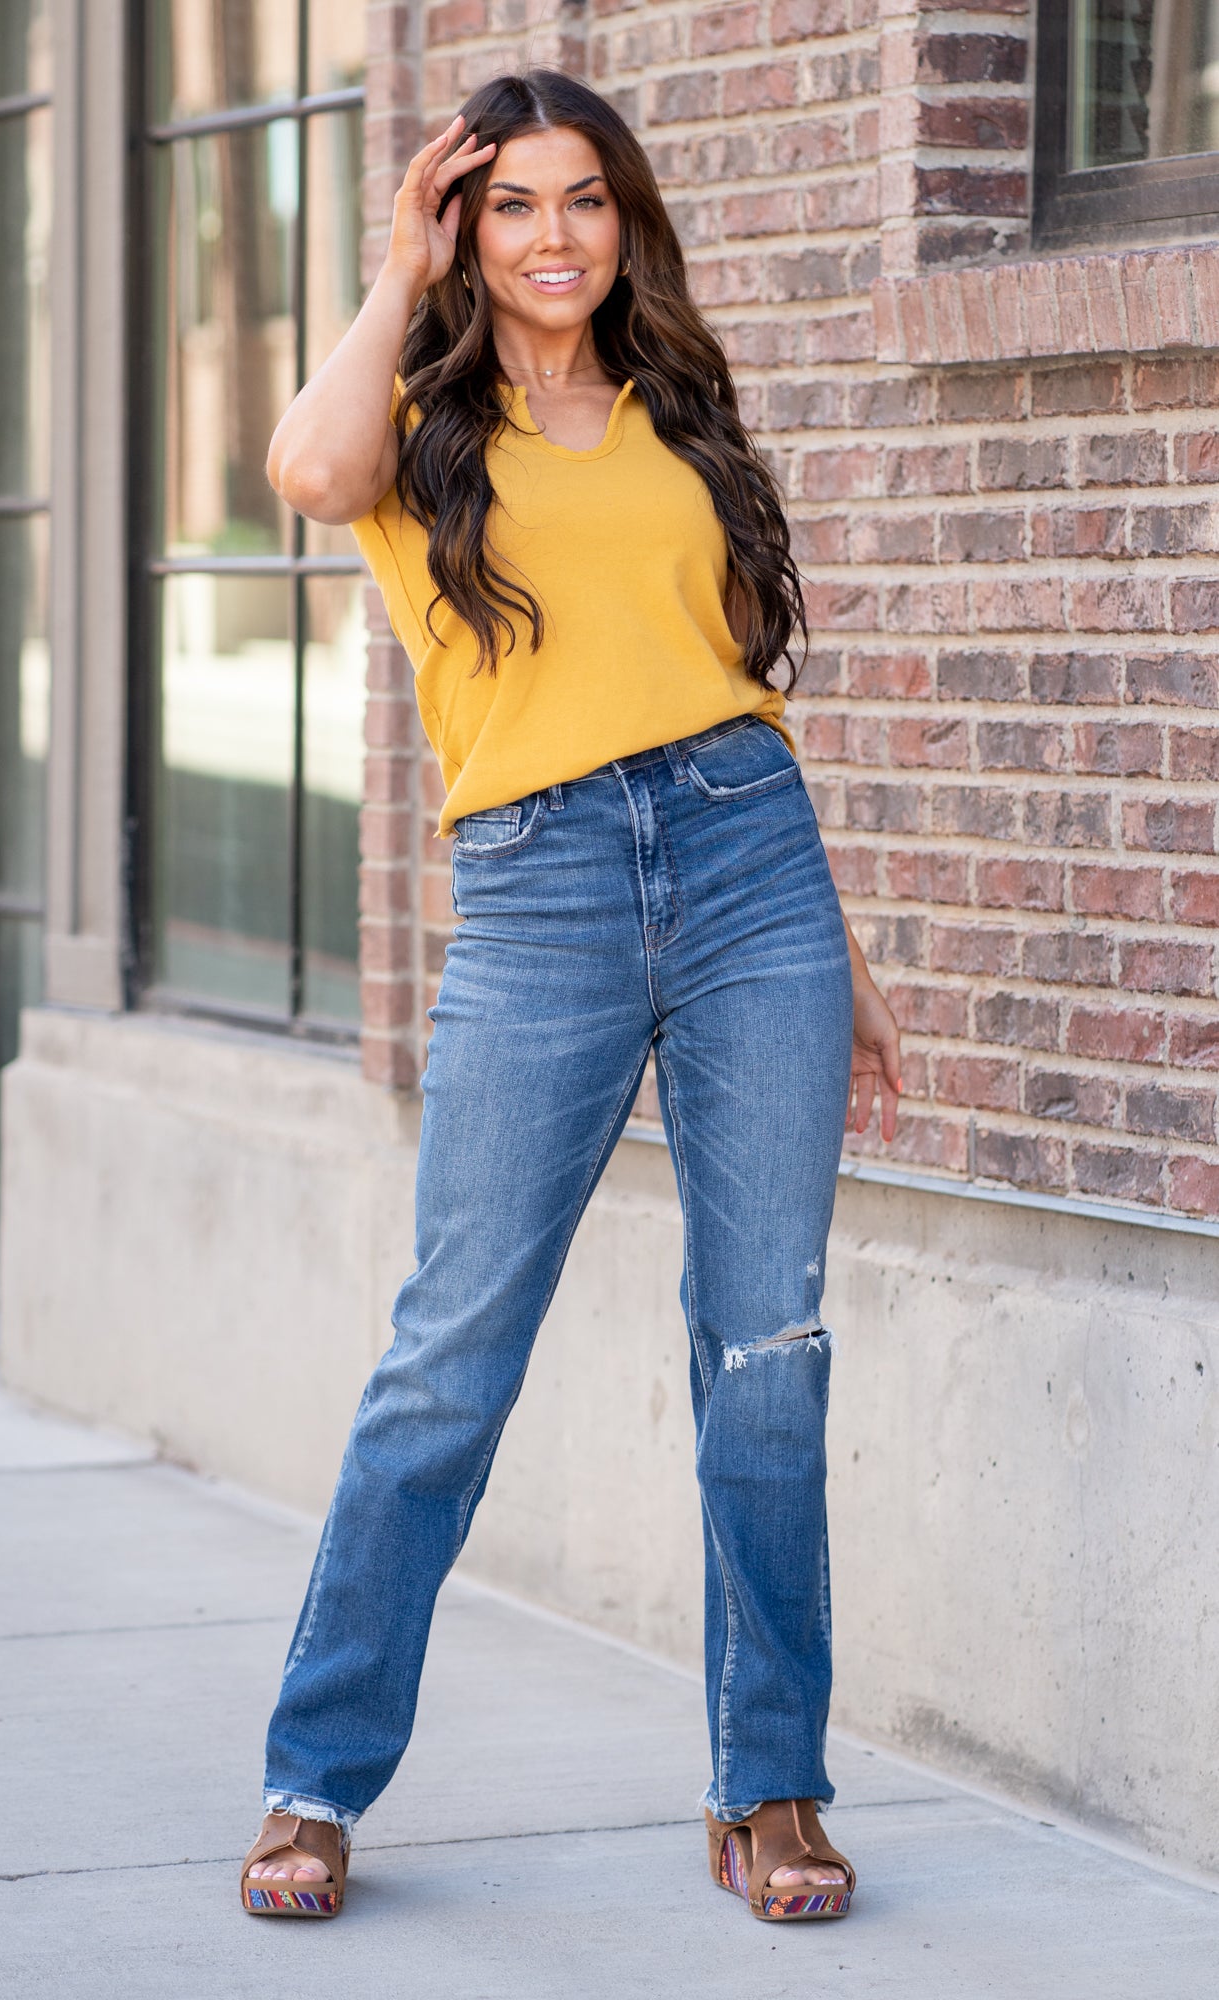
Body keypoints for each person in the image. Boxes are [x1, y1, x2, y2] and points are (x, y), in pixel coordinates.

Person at [241, 67, 902, 1928]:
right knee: (449, 1357)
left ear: (628, 223)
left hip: (754, 870)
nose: (555, 237)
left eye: (585, 200)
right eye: (513, 204)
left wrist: (840, 956)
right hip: (538, 895)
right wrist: (397, 267)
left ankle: (770, 1787)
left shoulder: (680, 411)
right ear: (467, 230)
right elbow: (305, 476)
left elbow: (731, 686)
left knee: (765, 1353)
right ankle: (313, 1780)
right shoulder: (415, 428)